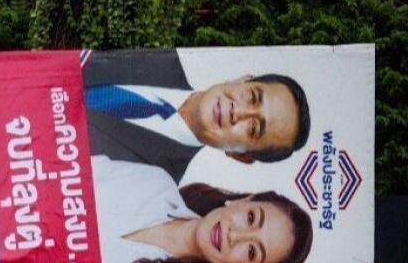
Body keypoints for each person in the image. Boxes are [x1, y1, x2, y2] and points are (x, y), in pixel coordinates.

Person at [91, 155, 313, 263]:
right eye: (251, 218)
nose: (234, 236)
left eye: (252, 251)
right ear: (244, 200)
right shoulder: (155, 182)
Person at [82, 49, 311, 183]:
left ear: (241, 157)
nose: (237, 111)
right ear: (243, 79)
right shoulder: (160, 54)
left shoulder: (154, 182)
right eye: (252, 97)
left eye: (253, 128)